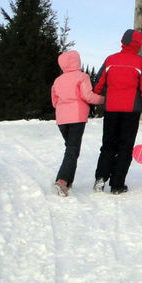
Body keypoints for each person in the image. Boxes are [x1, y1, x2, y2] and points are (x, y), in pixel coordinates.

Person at [92, 29, 142, 194]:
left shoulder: (110, 60)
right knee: (125, 147)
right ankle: (117, 184)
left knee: (108, 144)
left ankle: (100, 178)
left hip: (111, 109)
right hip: (130, 111)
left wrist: (93, 98)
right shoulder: (140, 62)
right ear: (137, 44)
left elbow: (98, 83)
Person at [50, 50, 104, 196]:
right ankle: (61, 181)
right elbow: (88, 96)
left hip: (61, 118)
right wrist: (103, 99)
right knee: (72, 150)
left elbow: (54, 101)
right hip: (77, 116)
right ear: (77, 61)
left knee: (71, 149)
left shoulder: (58, 80)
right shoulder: (82, 76)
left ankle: (68, 180)